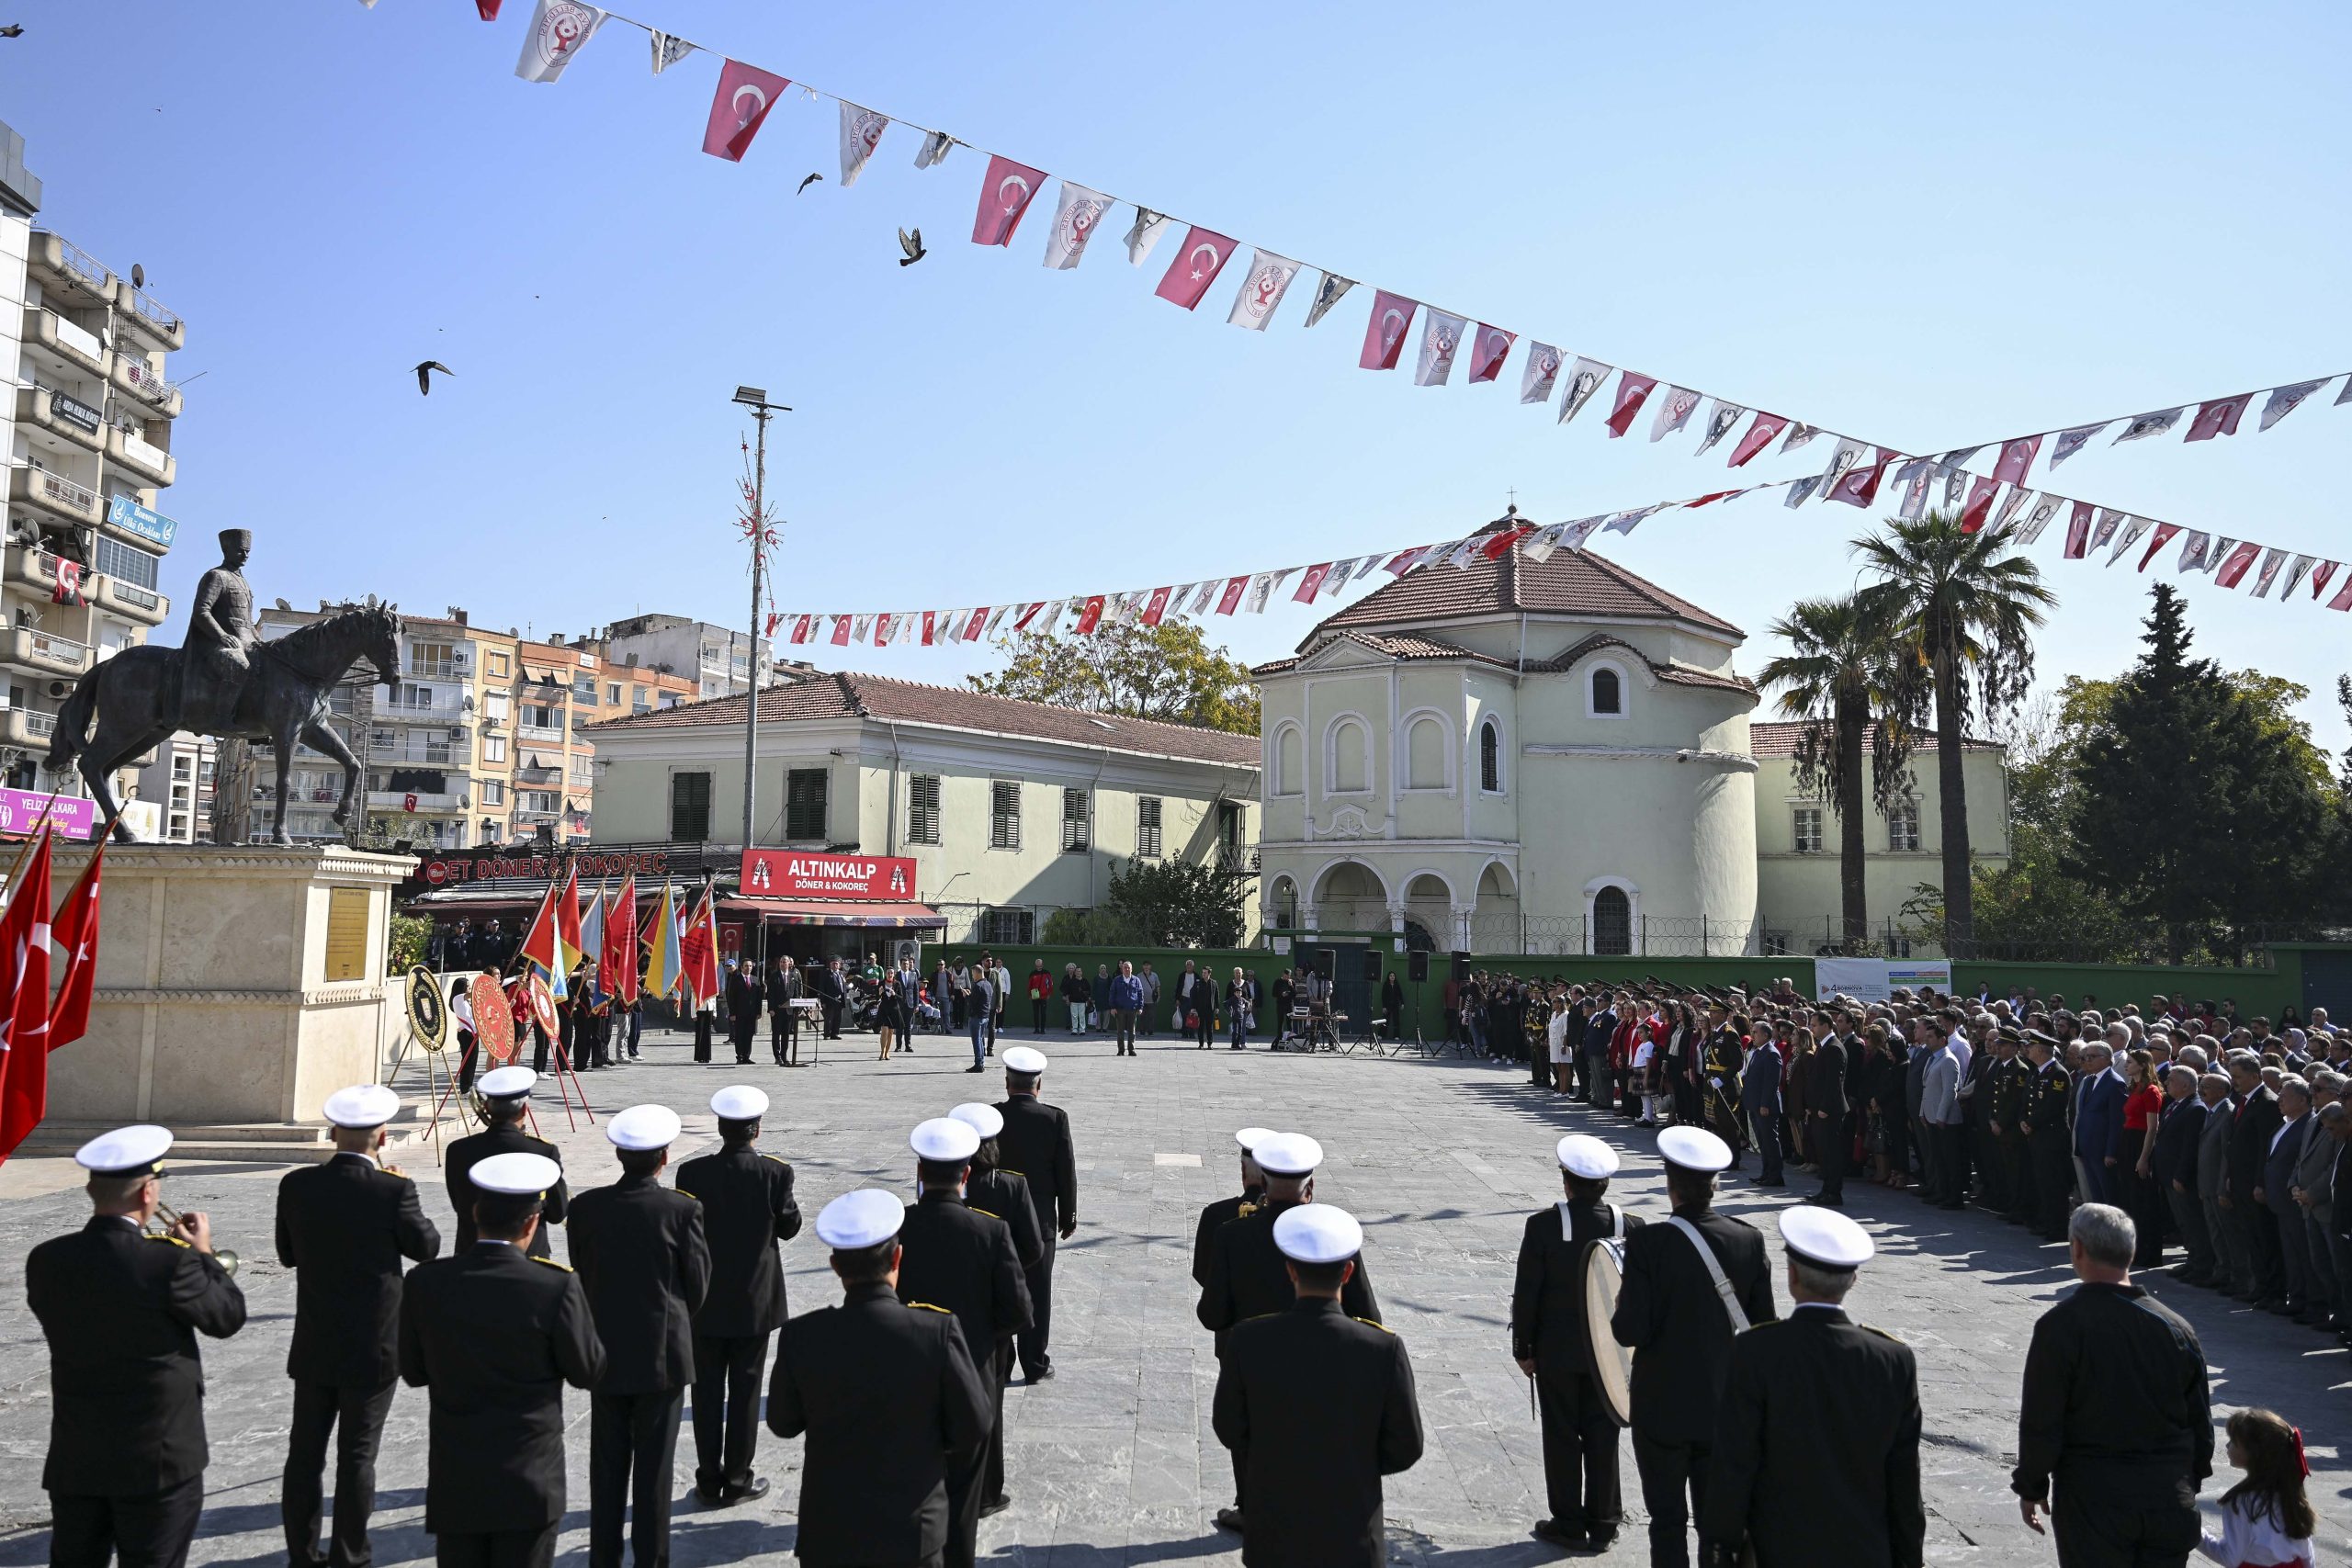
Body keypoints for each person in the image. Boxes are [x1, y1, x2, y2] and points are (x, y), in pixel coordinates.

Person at [29, 1125, 248, 1568]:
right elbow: (226, 1318)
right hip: (159, 1459)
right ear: (149, 1193)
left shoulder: (47, 1259)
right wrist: (203, 1254)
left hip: (78, 1456)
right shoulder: (171, 1261)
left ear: (92, 1187)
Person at [398, 1151, 605, 1568]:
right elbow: (588, 1370)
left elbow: (414, 1373)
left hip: (456, 1479)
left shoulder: (425, 1282)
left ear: (475, 1213)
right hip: (529, 1480)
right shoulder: (555, 1287)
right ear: (533, 1222)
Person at [765, 1190, 993, 1568]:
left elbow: (782, 1423)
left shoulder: (803, 1337)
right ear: (898, 1258)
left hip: (830, 1535)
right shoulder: (936, 1331)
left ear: (835, 1266)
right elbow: (975, 1424)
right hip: (913, 1534)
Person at [1702, 1206, 1924, 1568]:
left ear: (1791, 1276)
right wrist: (1909, 1558)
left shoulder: (1757, 1350)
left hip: (1777, 1549)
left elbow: (1735, 1461)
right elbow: (1903, 1478)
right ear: (1852, 1280)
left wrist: (1718, 1545)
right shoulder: (1893, 1358)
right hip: (1864, 1550)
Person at [276, 1086, 442, 1568]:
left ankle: (301, 1555)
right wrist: (402, 1190)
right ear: (384, 1137)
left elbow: (287, 1255)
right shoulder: (393, 1189)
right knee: (357, 1454)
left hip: (314, 1337)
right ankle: (351, 1555)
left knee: (304, 1452)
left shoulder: (297, 1185)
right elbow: (426, 1247)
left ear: (332, 1134)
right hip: (375, 1342)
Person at [1212, 1205, 1424, 1568]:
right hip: (1352, 1535)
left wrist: (1274, 1461)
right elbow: (1406, 1445)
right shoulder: (1383, 1348)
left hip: (1274, 1534)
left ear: (1290, 1270)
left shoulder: (1249, 1340)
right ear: (1348, 1272)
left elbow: (1230, 1427)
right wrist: (1354, 1467)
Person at [1197, 1133, 1381, 1534]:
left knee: (1250, 1431)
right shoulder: (1334, 1236)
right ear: (1311, 1187)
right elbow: (1366, 1314)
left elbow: (1211, 1314)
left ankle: (1252, 1506)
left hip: (1251, 1360)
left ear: (1261, 1183)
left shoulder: (1231, 1234)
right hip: (1321, 1360)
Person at [1610, 1126, 1776, 1568]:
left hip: (1661, 1405)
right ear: (1715, 1185)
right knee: (1717, 1524)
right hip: (1724, 1407)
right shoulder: (1749, 1240)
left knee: (1666, 1521)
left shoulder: (1648, 1243)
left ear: (1670, 1185)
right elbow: (1764, 1331)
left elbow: (1628, 1331)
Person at [2014, 1202, 2211, 1566]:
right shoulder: (2176, 1328)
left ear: (2077, 1249)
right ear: (2131, 1252)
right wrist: (2184, 1484)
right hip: (2167, 1498)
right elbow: (2201, 1424)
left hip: (2095, 1501)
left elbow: (2043, 1419)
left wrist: (2032, 1485)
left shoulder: (2061, 1327)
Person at [566, 1106, 709, 1568]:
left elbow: (581, 1273)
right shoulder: (682, 1210)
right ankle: (652, 1559)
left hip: (604, 1351)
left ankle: (603, 1558)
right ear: (664, 1157)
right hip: (661, 1353)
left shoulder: (585, 1208)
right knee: (655, 1472)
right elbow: (698, 1286)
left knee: (606, 1468)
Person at [898, 1119, 1034, 1568]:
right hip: (974, 1366)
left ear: (920, 1171)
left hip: (912, 1368)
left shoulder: (901, 1226)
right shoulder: (990, 1232)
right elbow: (1018, 1311)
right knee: (965, 1487)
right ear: (967, 1175)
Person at [1511, 1134, 1645, 1552]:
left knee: (1562, 1434)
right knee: (1605, 1436)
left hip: (1558, 1352)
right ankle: (1604, 1521)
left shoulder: (1544, 1226)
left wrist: (1524, 1348)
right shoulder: (1632, 1228)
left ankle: (1568, 1521)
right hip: (1612, 1357)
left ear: (1566, 1181)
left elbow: (1528, 1291)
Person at [673, 1086, 798, 1507]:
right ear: (756, 1130)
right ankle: (738, 1478)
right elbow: (789, 1227)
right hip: (754, 1300)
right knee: (745, 1391)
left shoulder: (691, 1174)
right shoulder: (775, 1174)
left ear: (721, 1128)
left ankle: (708, 1477)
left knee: (706, 1390)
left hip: (704, 1299)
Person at [948, 1100, 1045, 1516]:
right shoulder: (1011, 1186)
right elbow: (1033, 1248)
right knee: (992, 1399)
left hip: (942, 1312)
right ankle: (988, 1491)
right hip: (992, 1313)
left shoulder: (944, 1184)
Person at [996, 1046, 1077, 1382]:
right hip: (1041, 1220)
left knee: (997, 1289)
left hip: (996, 1219)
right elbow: (1066, 1171)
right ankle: (1034, 1362)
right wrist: (1068, 1215)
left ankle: (1001, 1360)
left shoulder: (994, 1117)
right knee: (1038, 1292)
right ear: (1038, 1085)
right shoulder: (1054, 1119)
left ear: (1007, 1083)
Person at [446, 1067, 566, 1259]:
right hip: (530, 1260)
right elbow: (557, 1213)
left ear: (487, 1108)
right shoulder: (543, 1151)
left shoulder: (457, 1150)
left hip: (471, 1258)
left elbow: (459, 1205)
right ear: (524, 1109)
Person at [2198, 1409, 2317, 1568]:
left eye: (2233, 1441)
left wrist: (2197, 1533)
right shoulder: (2290, 1494)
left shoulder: (2241, 1503)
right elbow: (2308, 1557)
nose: (2227, 1445)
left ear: (2254, 1453)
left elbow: (2230, 1558)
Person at [2152, 1066, 2215, 1285]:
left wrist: (2180, 1175)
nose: (2166, 1083)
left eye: (2171, 1080)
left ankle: (2202, 1265)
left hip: (2180, 1177)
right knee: (2184, 1222)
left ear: (2186, 1085)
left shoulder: (2195, 1108)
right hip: (2168, 1174)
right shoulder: (2176, 1105)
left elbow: (2189, 1147)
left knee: (2193, 1222)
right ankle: (2193, 1261)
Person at [2023, 1031, 2075, 1241]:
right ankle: (2045, 1221)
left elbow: (2053, 1107)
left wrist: (2030, 1122)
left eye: (2031, 1046)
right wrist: (2023, 1120)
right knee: (2042, 1181)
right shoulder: (2037, 1071)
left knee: (2054, 1183)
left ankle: (2057, 1226)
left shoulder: (2058, 1074)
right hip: (2036, 1134)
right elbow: (2026, 1100)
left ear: (2041, 1050)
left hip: (2051, 1136)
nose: (2027, 1049)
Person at [1741, 1024, 1785, 1188]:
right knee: (1762, 1141)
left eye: (1756, 1032)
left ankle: (1775, 1175)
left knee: (1769, 1141)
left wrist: (1765, 1104)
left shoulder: (1771, 1054)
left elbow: (1771, 1083)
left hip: (1765, 1106)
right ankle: (1766, 1173)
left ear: (1766, 1035)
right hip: (1755, 1104)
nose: (1753, 1035)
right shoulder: (1758, 1051)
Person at [766, 955, 803, 1066]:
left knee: (786, 1035)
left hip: (789, 1011)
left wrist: (798, 1007)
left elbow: (796, 992)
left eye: (785, 962)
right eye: (781, 962)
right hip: (777, 1010)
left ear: (789, 964)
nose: (783, 964)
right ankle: (777, 1056)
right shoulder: (774, 976)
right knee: (776, 1034)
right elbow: (770, 994)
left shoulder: (793, 976)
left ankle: (784, 1056)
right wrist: (771, 1009)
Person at [1106, 960, 1143, 1056]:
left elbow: (1140, 994)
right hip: (1120, 1009)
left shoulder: (1136, 980)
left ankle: (1131, 1049)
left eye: (1128, 968)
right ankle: (1121, 1050)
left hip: (1133, 1009)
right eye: (1125, 967)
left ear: (1131, 969)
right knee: (1120, 1031)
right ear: (1122, 969)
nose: (1127, 969)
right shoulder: (1117, 980)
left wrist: (1140, 1007)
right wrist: (1112, 1007)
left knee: (1132, 1031)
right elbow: (1112, 993)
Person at [965, 967, 996, 1073]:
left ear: (977, 973)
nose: (972, 976)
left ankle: (978, 1064)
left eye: (973, 974)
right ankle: (981, 1063)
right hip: (985, 1016)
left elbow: (972, 1002)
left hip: (976, 1017)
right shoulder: (988, 985)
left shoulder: (977, 986)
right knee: (981, 1039)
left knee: (977, 1040)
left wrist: (966, 995)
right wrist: (971, 994)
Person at [451, 978, 480, 1094]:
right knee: (467, 1061)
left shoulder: (467, 1002)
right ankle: (464, 1089)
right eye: (467, 986)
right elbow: (474, 993)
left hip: (473, 1033)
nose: (469, 987)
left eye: (469, 985)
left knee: (473, 1061)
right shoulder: (458, 998)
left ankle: (469, 1086)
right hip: (465, 1033)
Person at [1226, 966, 1256, 1049]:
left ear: (1242, 974)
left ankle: (1242, 1043)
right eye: (1236, 973)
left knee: (1242, 1027)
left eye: (1239, 973)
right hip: (1234, 1010)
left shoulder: (1246, 984)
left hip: (1244, 1009)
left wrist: (1250, 1006)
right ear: (1234, 974)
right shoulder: (1230, 984)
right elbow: (1227, 998)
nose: (1238, 974)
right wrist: (1229, 1009)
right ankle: (1234, 1043)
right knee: (1235, 1028)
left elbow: (1249, 997)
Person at [1026, 960, 1054, 1035]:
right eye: (1037, 966)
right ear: (1035, 965)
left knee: (1043, 1013)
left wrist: (1049, 993)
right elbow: (1029, 985)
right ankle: (1036, 1028)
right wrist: (1029, 995)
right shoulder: (1032, 974)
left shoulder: (1047, 973)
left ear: (1042, 965)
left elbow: (1050, 984)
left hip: (1044, 995)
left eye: (1040, 966)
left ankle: (1042, 1029)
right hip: (1035, 995)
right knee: (1036, 1013)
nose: (1038, 967)